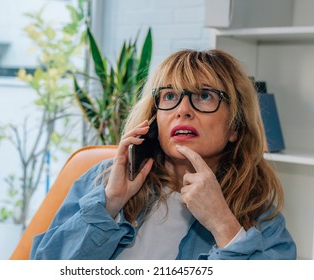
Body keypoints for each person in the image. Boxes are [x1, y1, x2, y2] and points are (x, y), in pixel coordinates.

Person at [30, 49, 297, 260]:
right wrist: (110, 204)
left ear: (235, 128)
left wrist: (223, 225)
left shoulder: (264, 222)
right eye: (169, 96)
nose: (183, 110)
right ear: (155, 116)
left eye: (204, 95)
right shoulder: (105, 180)